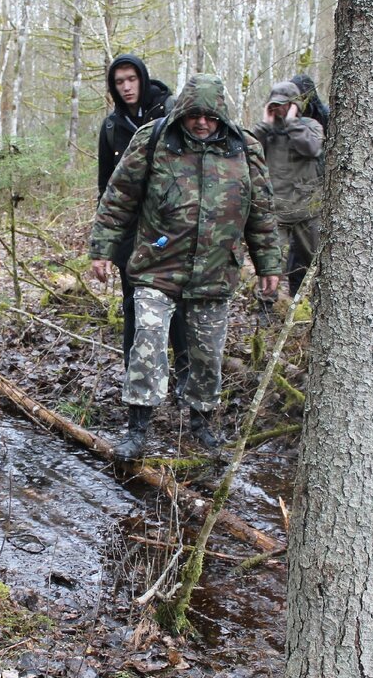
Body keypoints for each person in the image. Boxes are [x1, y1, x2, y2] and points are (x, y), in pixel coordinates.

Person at [90, 73, 281, 460]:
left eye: (209, 116)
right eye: (193, 115)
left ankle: (201, 423)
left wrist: (268, 264)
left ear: (222, 116)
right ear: (182, 113)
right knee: (147, 343)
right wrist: (102, 249)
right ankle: (137, 427)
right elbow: (119, 197)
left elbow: (261, 211)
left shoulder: (245, 148)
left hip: (215, 271)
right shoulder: (155, 139)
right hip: (157, 265)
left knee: (207, 355)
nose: (201, 122)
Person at [96, 55, 189, 390]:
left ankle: (183, 378)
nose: (126, 87)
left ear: (143, 78)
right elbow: (106, 190)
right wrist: (105, 245)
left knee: (177, 307)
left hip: (171, 232)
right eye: (119, 82)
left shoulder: (170, 111)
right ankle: (136, 379)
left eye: (131, 79)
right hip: (131, 237)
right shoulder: (111, 127)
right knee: (133, 307)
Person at [253, 80, 324, 297]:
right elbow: (248, 152)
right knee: (270, 265)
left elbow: (311, 148)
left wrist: (293, 122)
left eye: (283, 104)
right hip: (277, 209)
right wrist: (265, 124)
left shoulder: (310, 126)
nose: (278, 109)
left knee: (318, 263)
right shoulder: (266, 131)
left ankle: (318, 307)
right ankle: (266, 307)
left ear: (294, 105)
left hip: (307, 209)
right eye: (274, 104)